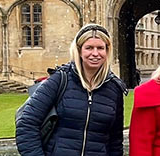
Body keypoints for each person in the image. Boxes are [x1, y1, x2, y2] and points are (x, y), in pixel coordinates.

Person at [16, 24, 127, 156]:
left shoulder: (114, 88)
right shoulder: (60, 79)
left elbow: (115, 141)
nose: (95, 53)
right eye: (89, 48)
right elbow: (27, 122)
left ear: (107, 51)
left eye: (100, 48)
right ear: (79, 51)